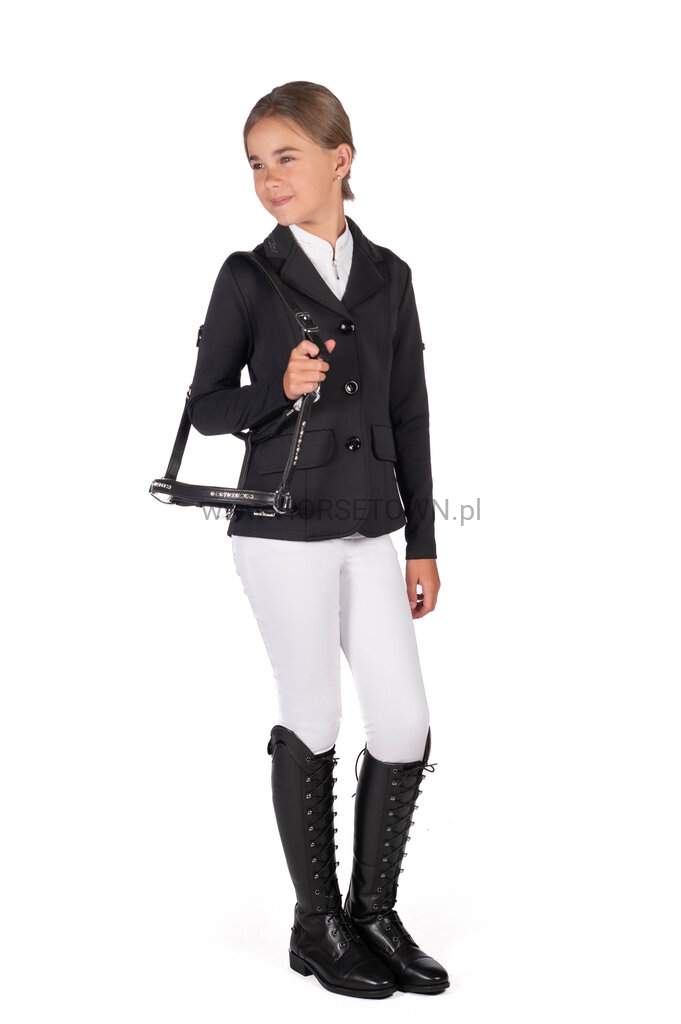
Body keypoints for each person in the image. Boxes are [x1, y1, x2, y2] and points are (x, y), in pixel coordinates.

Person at [187, 81, 449, 999]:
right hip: (280, 526)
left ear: (340, 158)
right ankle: (315, 923)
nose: (269, 178)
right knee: (314, 715)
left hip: (368, 527)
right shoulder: (246, 276)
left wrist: (422, 541)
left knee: (404, 721)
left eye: (285, 157)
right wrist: (278, 389)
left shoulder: (390, 276)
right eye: (256, 164)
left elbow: (409, 413)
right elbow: (205, 406)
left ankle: (372, 913)